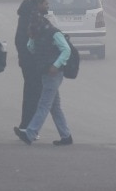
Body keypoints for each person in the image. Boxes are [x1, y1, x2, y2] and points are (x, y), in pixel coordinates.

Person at [14, 14, 73, 146]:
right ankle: (66, 136)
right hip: (45, 73)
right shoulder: (38, 34)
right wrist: (31, 38)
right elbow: (31, 49)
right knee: (54, 107)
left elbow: (66, 50)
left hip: (54, 74)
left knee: (44, 104)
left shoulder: (54, 33)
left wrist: (56, 65)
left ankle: (30, 133)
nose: (31, 28)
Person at [14, 0, 48, 132]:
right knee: (36, 96)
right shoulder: (33, 19)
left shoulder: (27, 16)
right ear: (38, 4)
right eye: (45, 3)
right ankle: (30, 128)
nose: (48, 6)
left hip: (27, 62)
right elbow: (27, 41)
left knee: (30, 94)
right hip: (32, 63)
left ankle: (26, 125)